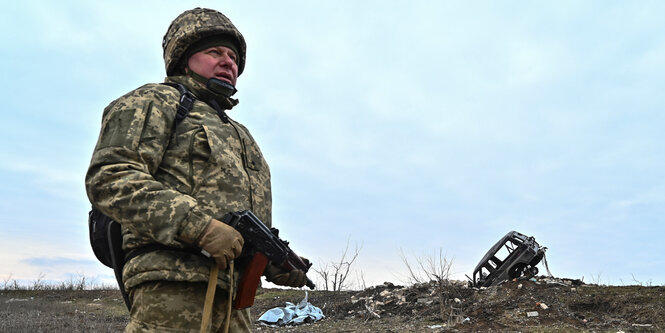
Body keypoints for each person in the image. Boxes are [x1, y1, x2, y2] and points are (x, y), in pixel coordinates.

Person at [86, 8, 308, 332]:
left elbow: (242, 223)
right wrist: (198, 226)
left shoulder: (241, 135)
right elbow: (111, 177)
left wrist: (271, 262)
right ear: (184, 58)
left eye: (232, 56)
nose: (228, 62)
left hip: (235, 305)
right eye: (214, 52)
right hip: (173, 292)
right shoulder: (157, 101)